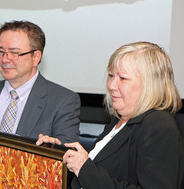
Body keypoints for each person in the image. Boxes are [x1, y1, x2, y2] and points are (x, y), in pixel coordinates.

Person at [37, 41, 184, 188]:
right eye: (111, 76)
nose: (111, 85)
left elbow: (91, 174)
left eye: (123, 78)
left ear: (150, 84)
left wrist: (84, 168)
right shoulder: (119, 121)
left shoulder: (159, 125)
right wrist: (58, 154)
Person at [0, 20, 81, 189]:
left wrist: (50, 153)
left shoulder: (63, 101)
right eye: (1, 52)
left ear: (36, 57)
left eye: (14, 53)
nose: (5, 59)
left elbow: (68, 165)